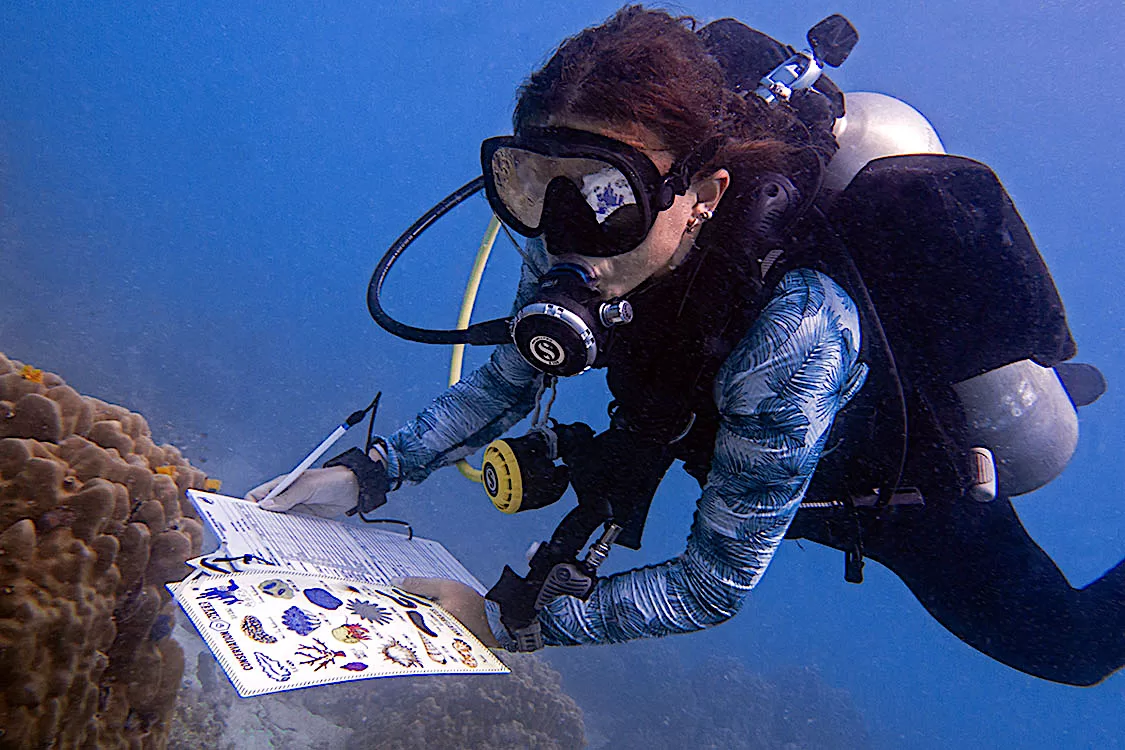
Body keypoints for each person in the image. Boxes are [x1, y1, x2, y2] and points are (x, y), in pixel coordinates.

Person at [248, 6, 1124, 686]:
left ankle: (1040, 387)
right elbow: (509, 377)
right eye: (531, 185)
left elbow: (713, 584)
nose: (564, 236)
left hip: (888, 483)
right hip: (707, 417)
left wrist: (502, 621)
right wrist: (371, 473)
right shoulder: (569, 236)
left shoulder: (796, 332)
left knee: (1072, 647)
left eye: (604, 196)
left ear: (701, 194)